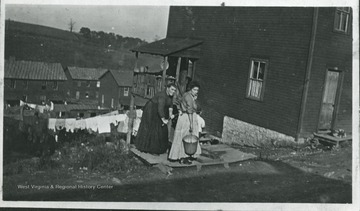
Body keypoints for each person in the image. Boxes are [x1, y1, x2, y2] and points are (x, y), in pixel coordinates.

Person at [134, 83, 177, 154]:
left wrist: (171, 114)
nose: (173, 91)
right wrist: (163, 119)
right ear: (167, 88)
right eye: (172, 89)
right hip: (151, 109)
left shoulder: (170, 96)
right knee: (152, 127)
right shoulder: (162, 96)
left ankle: (158, 148)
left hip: (157, 110)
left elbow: (170, 106)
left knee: (160, 128)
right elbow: (160, 108)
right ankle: (149, 148)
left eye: (174, 90)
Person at [168, 81, 202, 164]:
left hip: (184, 117)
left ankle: (184, 155)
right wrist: (191, 124)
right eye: (194, 90)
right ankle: (183, 157)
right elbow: (190, 111)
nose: (196, 92)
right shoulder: (189, 97)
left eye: (197, 90)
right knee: (186, 136)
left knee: (184, 137)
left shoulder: (187, 95)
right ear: (190, 89)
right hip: (187, 118)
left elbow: (180, 104)